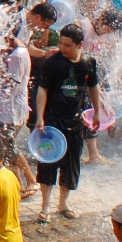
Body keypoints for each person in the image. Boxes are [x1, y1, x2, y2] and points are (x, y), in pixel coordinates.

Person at [32, 22, 101, 221]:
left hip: (75, 120)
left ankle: (63, 203)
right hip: (53, 120)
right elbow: (43, 90)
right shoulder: (53, 62)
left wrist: (96, 112)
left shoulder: (88, 62)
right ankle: (45, 206)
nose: (62, 48)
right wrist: (40, 117)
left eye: (68, 45)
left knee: (71, 164)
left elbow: (93, 87)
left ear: (80, 45)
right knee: (48, 162)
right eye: (61, 43)